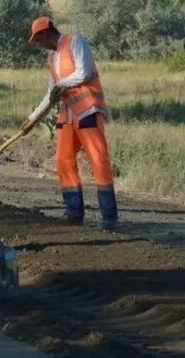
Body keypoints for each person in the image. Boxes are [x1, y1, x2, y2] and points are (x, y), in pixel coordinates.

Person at [25, 16, 118, 230]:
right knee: (63, 159)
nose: (40, 45)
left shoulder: (76, 42)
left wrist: (62, 84)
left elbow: (83, 72)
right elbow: (51, 93)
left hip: (87, 111)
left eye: (39, 40)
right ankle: (73, 211)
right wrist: (32, 119)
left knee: (98, 160)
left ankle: (109, 216)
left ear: (47, 33)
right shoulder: (52, 58)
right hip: (66, 115)